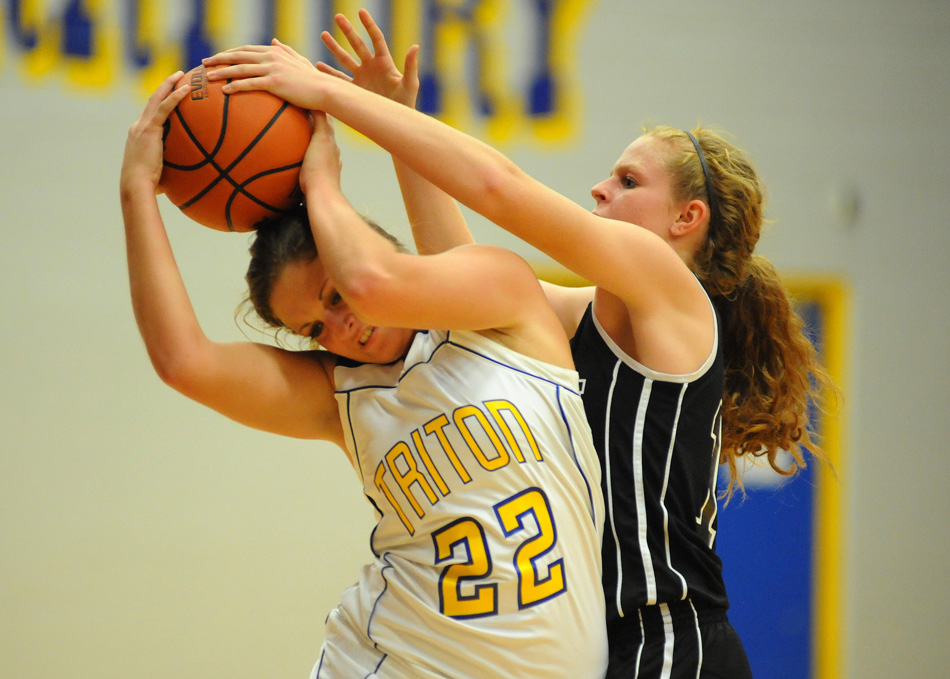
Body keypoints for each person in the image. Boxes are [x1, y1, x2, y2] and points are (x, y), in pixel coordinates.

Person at [203, 13, 836, 679]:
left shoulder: (671, 293)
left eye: (627, 180)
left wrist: (334, 98)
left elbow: (498, 187)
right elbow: (463, 275)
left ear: (687, 219)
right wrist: (399, 126)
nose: (600, 186)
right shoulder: (584, 313)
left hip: (671, 640)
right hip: (606, 647)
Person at [120, 72, 608, 679]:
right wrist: (136, 190)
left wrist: (325, 175)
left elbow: (383, 281)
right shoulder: (340, 395)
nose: (340, 327)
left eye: (334, 295)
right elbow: (183, 361)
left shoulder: (504, 306)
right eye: (314, 329)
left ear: (366, 252)